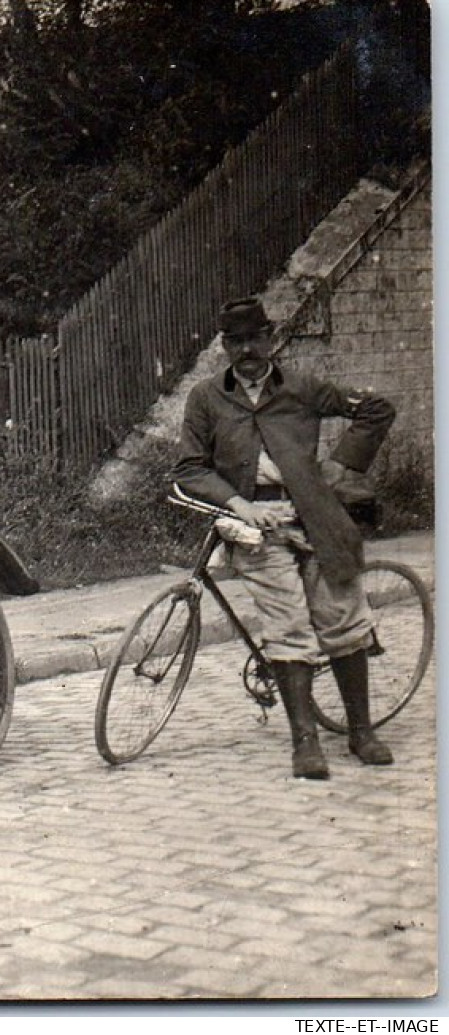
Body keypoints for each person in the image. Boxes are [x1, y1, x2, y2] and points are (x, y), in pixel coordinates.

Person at [173, 296, 396, 780]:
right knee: (289, 624)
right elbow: (190, 469)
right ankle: (305, 741)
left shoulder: (302, 388)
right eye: (237, 342)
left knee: (342, 618)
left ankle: (360, 731)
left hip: (316, 518)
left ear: (270, 339)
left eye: (256, 338)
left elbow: (375, 409)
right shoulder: (206, 399)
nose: (248, 350)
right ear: (225, 347)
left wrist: (337, 469)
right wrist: (242, 506)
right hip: (257, 530)